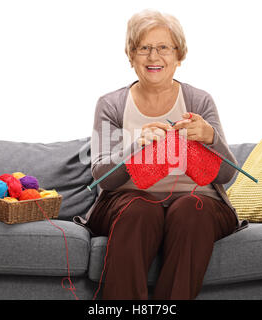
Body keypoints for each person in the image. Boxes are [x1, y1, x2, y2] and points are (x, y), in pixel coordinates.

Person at [73, 9, 247, 300]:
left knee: (193, 210)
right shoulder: (111, 104)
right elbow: (103, 178)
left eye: (164, 47)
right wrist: (135, 148)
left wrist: (210, 137)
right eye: (144, 48)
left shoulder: (199, 101)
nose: (154, 57)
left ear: (180, 55)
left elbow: (226, 174)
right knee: (140, 209)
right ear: (131, 55)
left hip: (196, 202)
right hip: (125, 201)